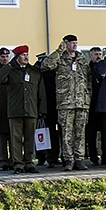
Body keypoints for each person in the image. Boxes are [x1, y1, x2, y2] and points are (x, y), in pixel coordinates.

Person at [41, 34, 92, 171]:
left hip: (81, 102)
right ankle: (68, 160)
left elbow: (88, 80)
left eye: (76, 42)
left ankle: (79, 159)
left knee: (80, 133)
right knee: (66, 133)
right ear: (65, 43)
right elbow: (46, 66)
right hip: (65, 102)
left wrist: (87, 99)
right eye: (72, 43)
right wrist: (59, 51)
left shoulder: (82, 59)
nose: (75, 45)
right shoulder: (60, 58)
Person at [0, 45, 46, 173]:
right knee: (16, 139)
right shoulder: (11, 71)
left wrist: (42, 110)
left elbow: (41, 92)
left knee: (29, 138)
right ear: (17, 57)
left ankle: (29, 163)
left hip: (31, 110)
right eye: (23, 55)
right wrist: (10, 65)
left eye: (27, 54)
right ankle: (18, 164)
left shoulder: (34, 72)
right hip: (15, 110)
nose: (26, 57)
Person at [35, 52, 61, 168]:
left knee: (51, 134)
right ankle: (44, 157)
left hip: (54, 106)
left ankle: (52, 157)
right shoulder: (37, 72)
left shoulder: (54, 72)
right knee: (44, 133)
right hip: (45, 107)